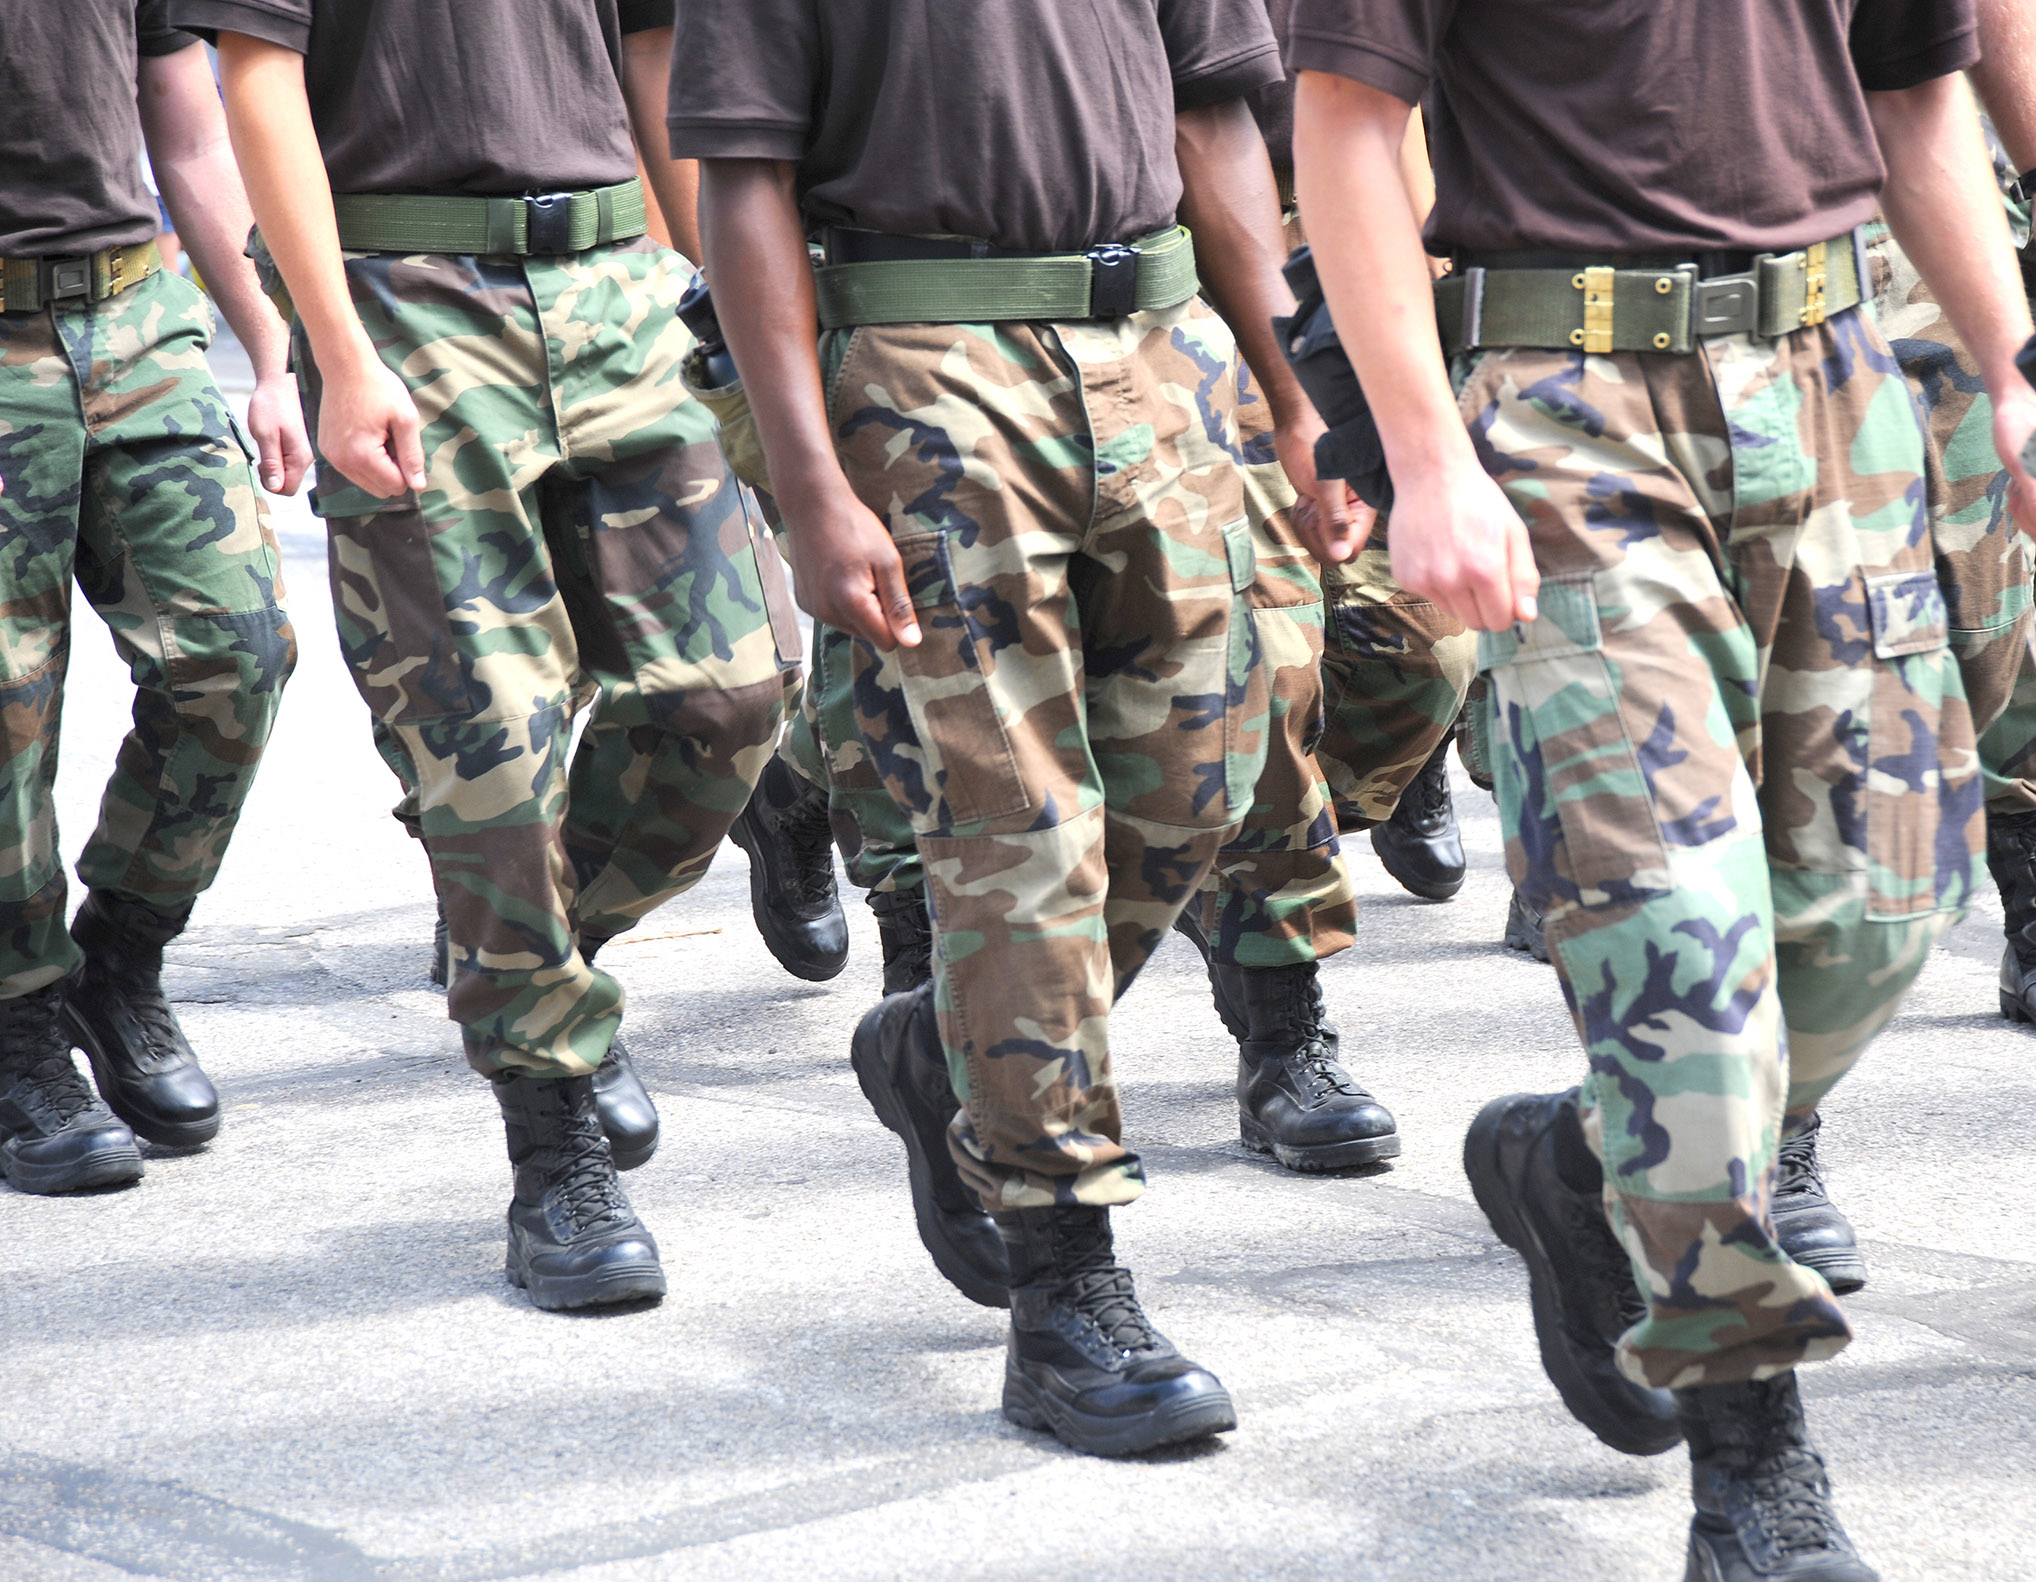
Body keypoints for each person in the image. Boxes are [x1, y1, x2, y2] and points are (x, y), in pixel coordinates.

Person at [1292, 1, 2034, 1576]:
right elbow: (1349, 125)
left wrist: (2010, 361)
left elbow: (1914, 99)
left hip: (1838, 383)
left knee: (1888, 906)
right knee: (1681, 957)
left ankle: (1580, 1162)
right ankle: (1752, 1463)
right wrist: (1429, 458)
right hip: (1573, 409)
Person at [674, 0, 1359, 1454]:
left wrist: (1291, 389)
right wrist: (805, 478)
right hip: (928, 365)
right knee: (1016, 824)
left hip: (1161, 350)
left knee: (1208, 782)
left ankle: (951, 1048)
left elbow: (1216, 117)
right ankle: (1067, 1288)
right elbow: (746, 177)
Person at [182, 0, 798, 1310]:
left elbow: (648, 50)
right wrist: (334, 351)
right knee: (488, 745)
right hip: (409, 293)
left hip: (621, 277)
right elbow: (260, 82)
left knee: (735, 690)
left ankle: (538, 965)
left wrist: (709, 290)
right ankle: (554, 1132)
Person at [0, 1, 308, 1196]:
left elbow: (186, 128)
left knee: (234, 655)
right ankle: (20, 1029)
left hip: (135, 314)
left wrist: (274, 353)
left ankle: (120, 956)